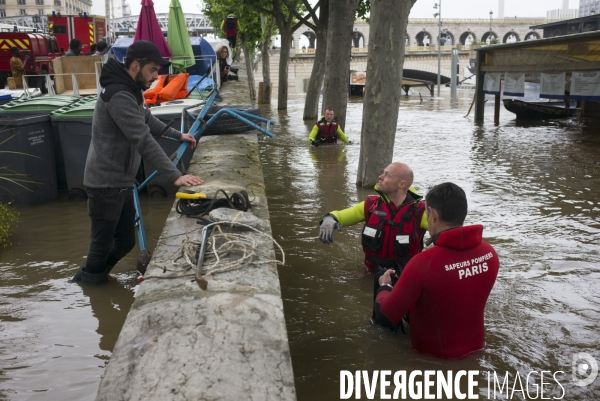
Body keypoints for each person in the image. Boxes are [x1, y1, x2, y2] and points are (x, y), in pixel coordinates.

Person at [72, 40, 203, 285]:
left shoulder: (130, 89)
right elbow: (142, 138)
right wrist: (174, 175)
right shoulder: (119, 94)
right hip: (105, 184)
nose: (156, 76)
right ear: (135, 65)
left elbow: (147, 120)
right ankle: (91, 287)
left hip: (121, 180)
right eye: (153, 70)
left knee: (126, 242)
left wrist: (177, 135)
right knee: (100, 246)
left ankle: (92, 279)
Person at [373, 182, 500, 359]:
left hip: (432, 357)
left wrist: (385, 286)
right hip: (477, 349)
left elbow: (386, 316)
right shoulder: (489, 253)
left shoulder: (423, 263)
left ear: (432, 215)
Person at [319, 162, 427, 274]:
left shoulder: (421, 211)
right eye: (383, 173)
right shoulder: (371, 205)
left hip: (405, 278)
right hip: (372, 274)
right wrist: (330, 218)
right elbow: (342, 215)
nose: (380, 177)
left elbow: (445, 229)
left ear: (402, 184)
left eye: (387, 175)